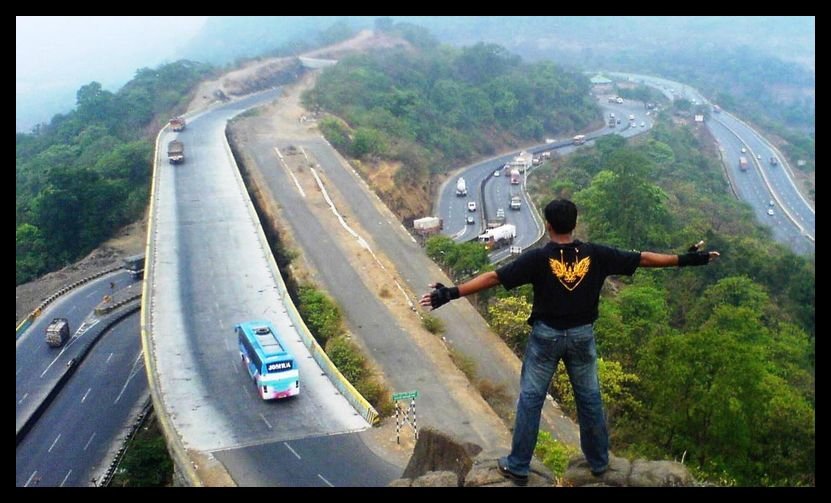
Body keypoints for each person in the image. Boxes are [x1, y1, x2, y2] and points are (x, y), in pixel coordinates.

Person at [419, 199, 719, 486]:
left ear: (548, 225)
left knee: (531, 400)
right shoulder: (597, 254)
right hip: (581, 336)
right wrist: (687, 259)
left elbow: (495, 278)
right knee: (589, 399)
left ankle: (519, 465)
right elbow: (643, 258)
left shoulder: (538, 258)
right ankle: (599, 462)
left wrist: (451, 293)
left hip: (545, 337)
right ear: (574, 224)